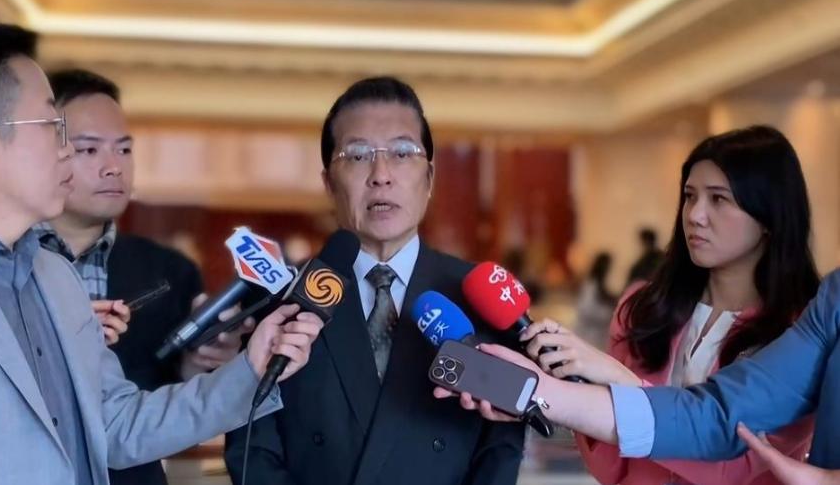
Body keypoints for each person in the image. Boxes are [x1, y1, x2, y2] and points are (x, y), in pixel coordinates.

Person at [0, 17, 322, 485]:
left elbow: (117, 426)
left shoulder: (55, 277)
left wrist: (251, 369)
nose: (66, 151)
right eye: (52, 126)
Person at [435, 126, 838, 483]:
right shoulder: (646, 306)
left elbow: (732, 465)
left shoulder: (802, 330)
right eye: (689, 197)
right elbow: (611, 466)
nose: (695, 215)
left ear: (768, 215)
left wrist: (619, 380)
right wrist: (552, 393)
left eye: (719, 200)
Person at [224, 76, 525, 485]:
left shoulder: (477, 296)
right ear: (329, 183)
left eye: (402, 152)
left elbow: (500, 451)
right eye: (357, 155)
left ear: (430, 178)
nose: (381, 175)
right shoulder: (281, 296)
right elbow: (253, 449)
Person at [37, 68, 252, 485]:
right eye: (89, 149)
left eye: (124, 149)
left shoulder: (169, 273)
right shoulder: (4, 261)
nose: (113, 167)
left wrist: (198, 365)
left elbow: (169, 411)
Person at [574, 251, 616, 349]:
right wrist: (609, 314)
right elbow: (585, 311)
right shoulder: (590, 286)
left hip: (598, 338)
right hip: (587, 338)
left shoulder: (602, 287)